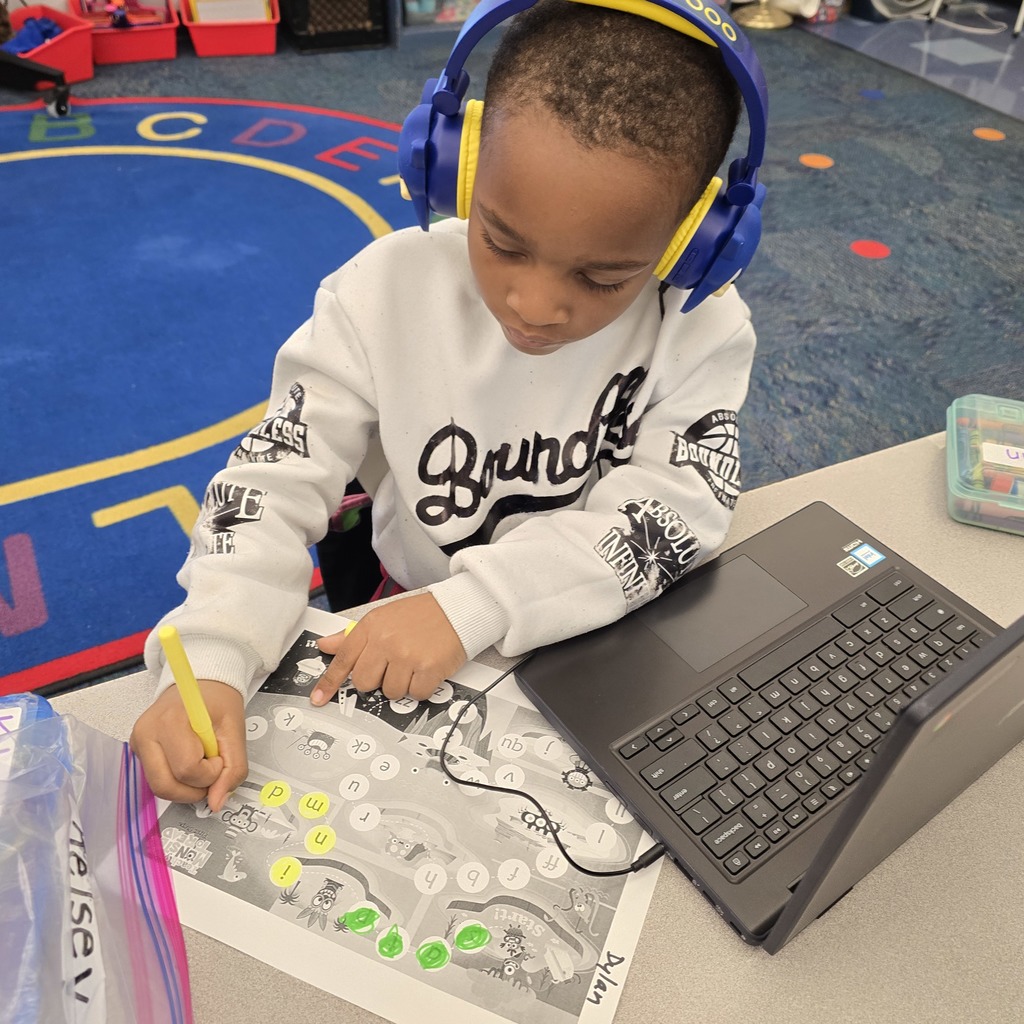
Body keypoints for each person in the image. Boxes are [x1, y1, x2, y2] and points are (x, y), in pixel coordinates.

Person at [130, 0, 759, 812]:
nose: (534, 304)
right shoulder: (380, 296)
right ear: (453, 166)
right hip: (413, 620)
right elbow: (272, 481)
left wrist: (476, 605)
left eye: (603, 279)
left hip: (608, 626)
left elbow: (680, 503)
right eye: (501, 240)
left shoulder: (701, 324)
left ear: (695, 239)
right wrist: (214, 654)